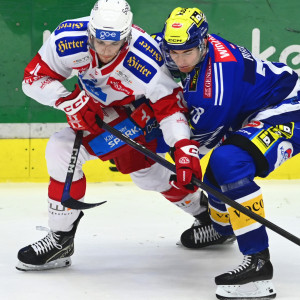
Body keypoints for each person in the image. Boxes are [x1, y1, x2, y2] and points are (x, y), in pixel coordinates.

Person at [16, 0, 230, 272]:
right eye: (99, 41)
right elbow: (32, 79)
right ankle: (61, 238)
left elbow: (169, 107)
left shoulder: (145, 59)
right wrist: (70, 101)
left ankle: (211, 218)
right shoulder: (67, 38)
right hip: (95, 107)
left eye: (113, 43)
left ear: (127, 38)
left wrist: (183, 146)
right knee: (147, 175)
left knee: (65, 149)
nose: (105, 50)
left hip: (138, 113)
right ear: (90, 32)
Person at [159, 6, 300, 300]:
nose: (179, 60)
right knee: (216, 179)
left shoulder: (216, 86)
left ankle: (258, 263)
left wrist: (147, 147)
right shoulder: (179, 42)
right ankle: (223, 229)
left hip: (289, 109)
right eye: (174, 52)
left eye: (187, 53)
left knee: (228, 161)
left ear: (203, 43)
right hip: (253, 113)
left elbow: (197, 145)